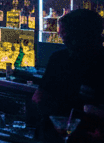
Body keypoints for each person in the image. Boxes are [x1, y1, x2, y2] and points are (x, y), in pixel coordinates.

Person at [32, 8, 104, 136]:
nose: (63, 37)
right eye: (62, 33)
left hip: (90, 137)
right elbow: (39, 97)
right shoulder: (58, 58)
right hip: (55, 132)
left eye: (66, 33)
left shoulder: (59, 58)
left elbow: (39, 97)